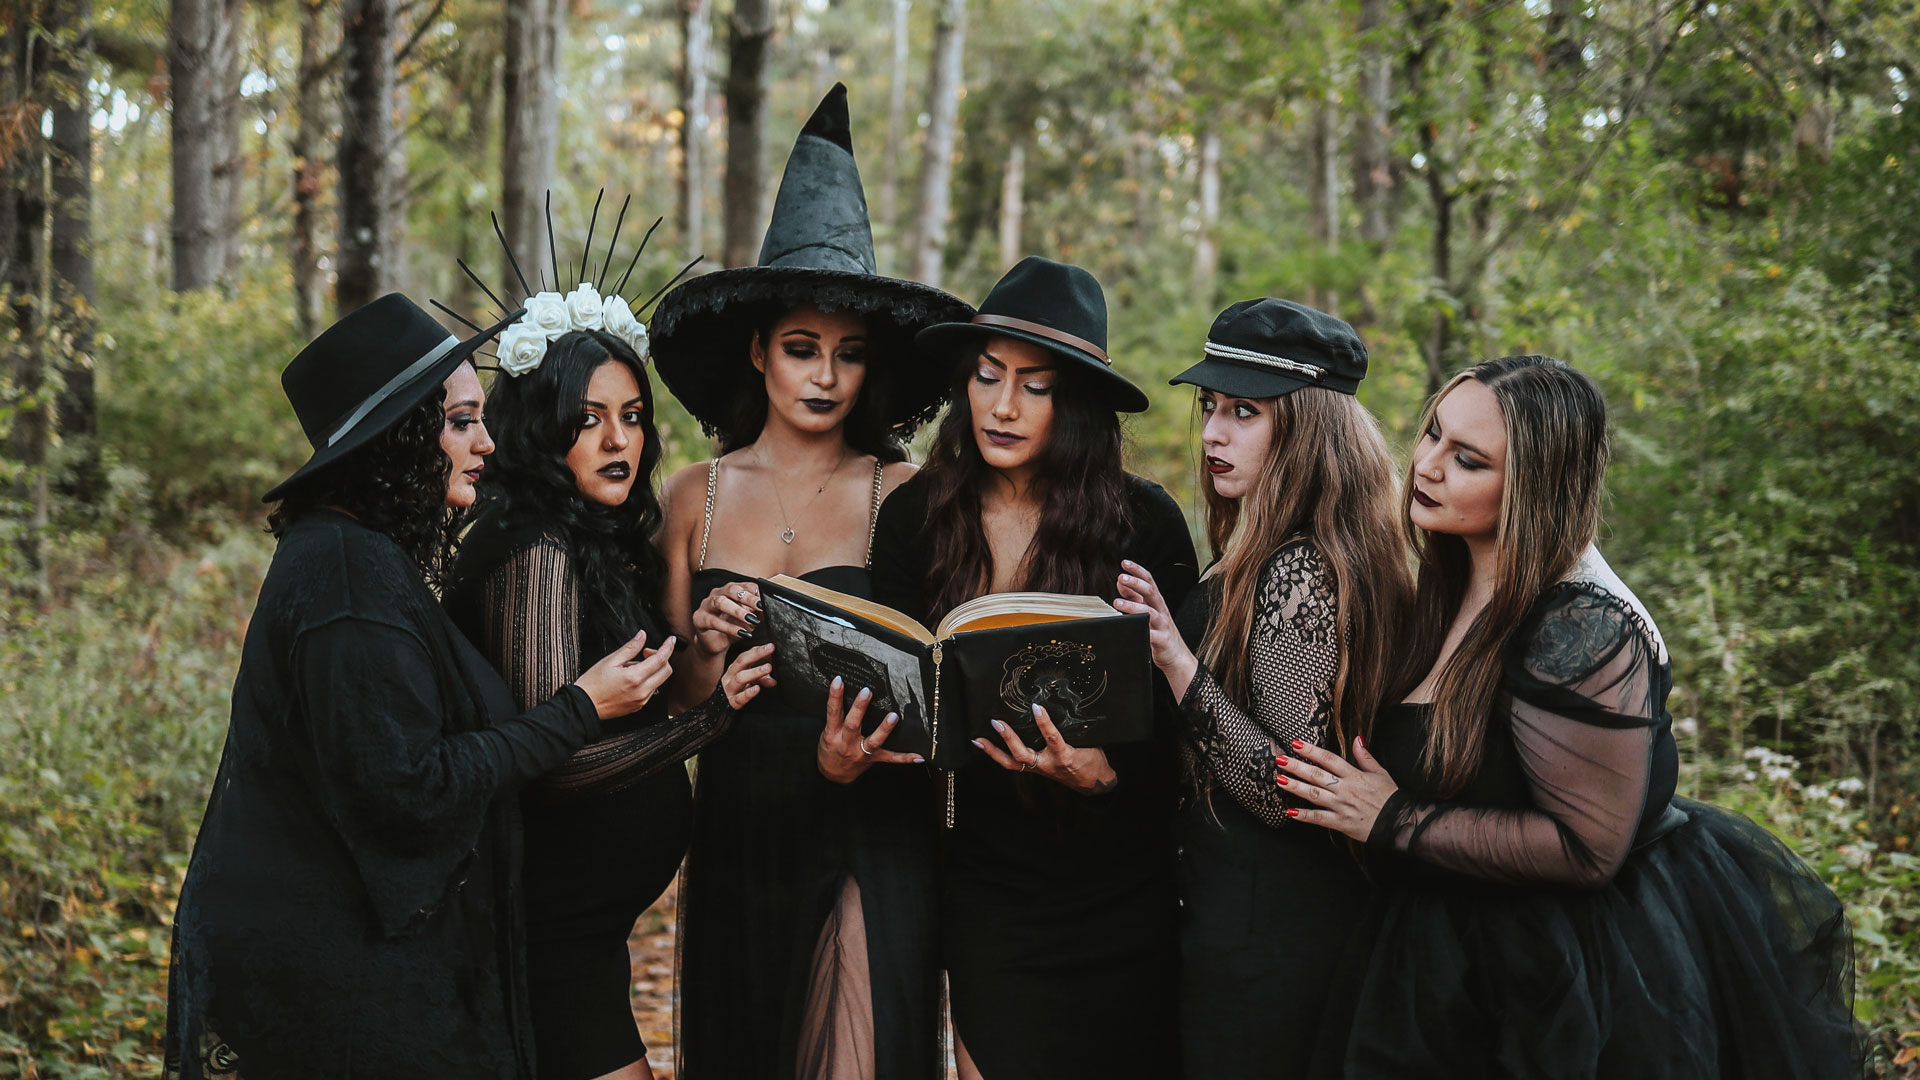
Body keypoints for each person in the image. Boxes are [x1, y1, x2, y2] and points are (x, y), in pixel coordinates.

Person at [1277, 354, 1862, 1079]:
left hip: (1562, 976)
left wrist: (1392, 819)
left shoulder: (1580, 627)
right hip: (1432, 948)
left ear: (1533, 486)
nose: (1426, 465)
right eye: (1432, 434)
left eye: (1467, 460)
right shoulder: (1443, 582)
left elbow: (1587, 848)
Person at [164, 295, 674, 1080]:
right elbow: (408, 787)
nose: (487, 442)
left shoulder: (361, 557)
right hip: (332, 980)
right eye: (463, 421)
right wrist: (580, 709)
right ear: (404, 437)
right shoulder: (344, 577)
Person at [650, 84, 972, 1080]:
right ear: (758, 352)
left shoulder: (904, 490)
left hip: (870, 816)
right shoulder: (691, 494)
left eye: (847, 355)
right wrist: (703, 651)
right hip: (743, 818)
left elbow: (941, 679)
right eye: (800, 350)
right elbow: (669, 708)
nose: (824, 376)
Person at [867, 256, 1198, 1080]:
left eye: (1036, 386)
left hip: (1122, 880)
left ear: (1076, 401)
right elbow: (901, 686)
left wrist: (1103, 778)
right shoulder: (916, 515)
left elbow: (1187, 722)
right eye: (986, 376)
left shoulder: (1145, 521)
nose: (1003, 406)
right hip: (986, 879)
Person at [444, 307, 772, 1079]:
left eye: (631, 417)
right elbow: (553, 760)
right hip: (546, 930)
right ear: (538, 428)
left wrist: (701, 649)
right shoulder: (534, 548)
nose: (619, 440)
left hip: (583, 932)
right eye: (587, 421)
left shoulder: (583, 540)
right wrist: (714, 719)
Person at [1111, 299, 1408, 1077]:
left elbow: (1290, 788)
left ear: (1308, 427)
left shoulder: (1301, 569)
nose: (1213, 432)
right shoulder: (1280, 548)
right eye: (1210, 406)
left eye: (1244, 412)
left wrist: (1175, 661)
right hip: (1239, 921)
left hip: (1273, 937)